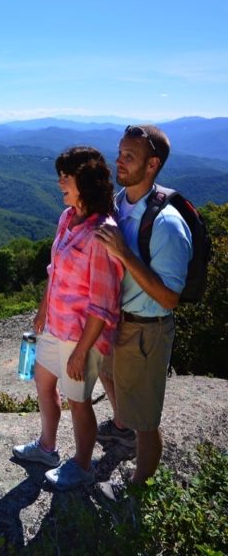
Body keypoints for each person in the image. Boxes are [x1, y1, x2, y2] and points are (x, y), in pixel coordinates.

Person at [13, 146, 124, 490]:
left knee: (79, 402)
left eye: (66, 175)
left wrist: (80, 352)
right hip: (55, 325)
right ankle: (47, 448)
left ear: (85, 180)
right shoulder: (67, 219)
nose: (59, 181)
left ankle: (82, 465)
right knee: (43, 383)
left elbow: (103, 303)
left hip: (80, 336)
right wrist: (43, 309)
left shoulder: (101, 233)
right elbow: (55, 270)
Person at [94, 125, 192, 485]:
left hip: (146, 329)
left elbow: (169, 298)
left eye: (128, 156)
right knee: (108, 373)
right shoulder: (121, 200)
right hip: (118, 319)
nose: (118, 161)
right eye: (119, 152)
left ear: (152, 165)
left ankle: (139, 486)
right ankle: (122, 427)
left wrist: (124, 252)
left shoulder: (167, 224)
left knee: (146, 421)